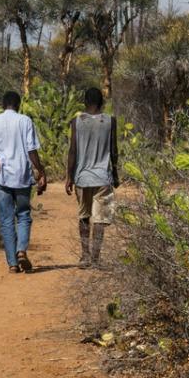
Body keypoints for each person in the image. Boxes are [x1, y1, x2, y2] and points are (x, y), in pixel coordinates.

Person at [0, 91, 47, 274]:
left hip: (2, 175)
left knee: (6, 219)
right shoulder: (25, 121)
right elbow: (31, 150)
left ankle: (12, 263)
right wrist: (41, 171)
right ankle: (21, 250)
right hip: (22, 175)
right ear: (18, 105)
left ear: (3, 105)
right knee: (23, 215)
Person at [66, 87, 119, 268]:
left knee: (84, 216)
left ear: (84, 102)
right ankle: (96, 259)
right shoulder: (110, 121)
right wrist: (116, 174)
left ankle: (84, 256)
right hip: (103, 178)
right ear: (102, 102)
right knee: (100, 219)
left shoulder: (76, 121)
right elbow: (113, 151)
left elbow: (72, 151)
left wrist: (69, 177)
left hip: (82, 178)